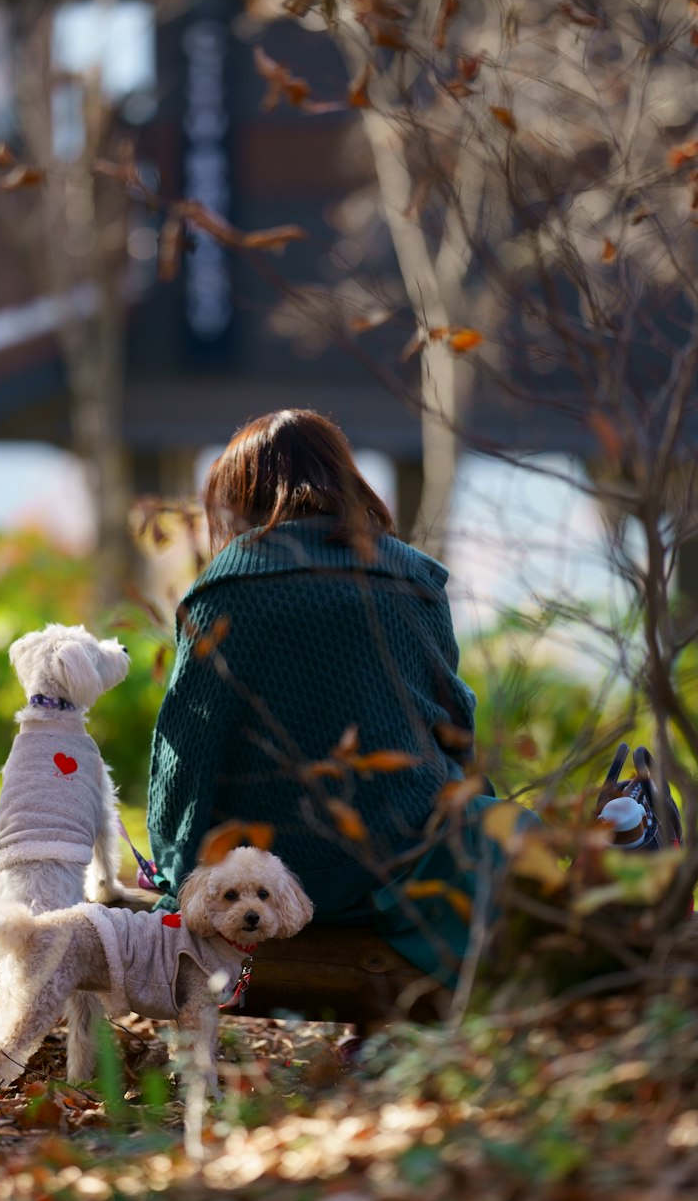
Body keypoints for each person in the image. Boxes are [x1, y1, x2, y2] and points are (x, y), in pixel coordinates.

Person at [145, 408, 512, 984]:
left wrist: (173, 871)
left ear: (243, 496)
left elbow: (185, 758)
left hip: (263, 870)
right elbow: (454, 723)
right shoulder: (415, 581)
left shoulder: (223, 592)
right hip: (406, 872)